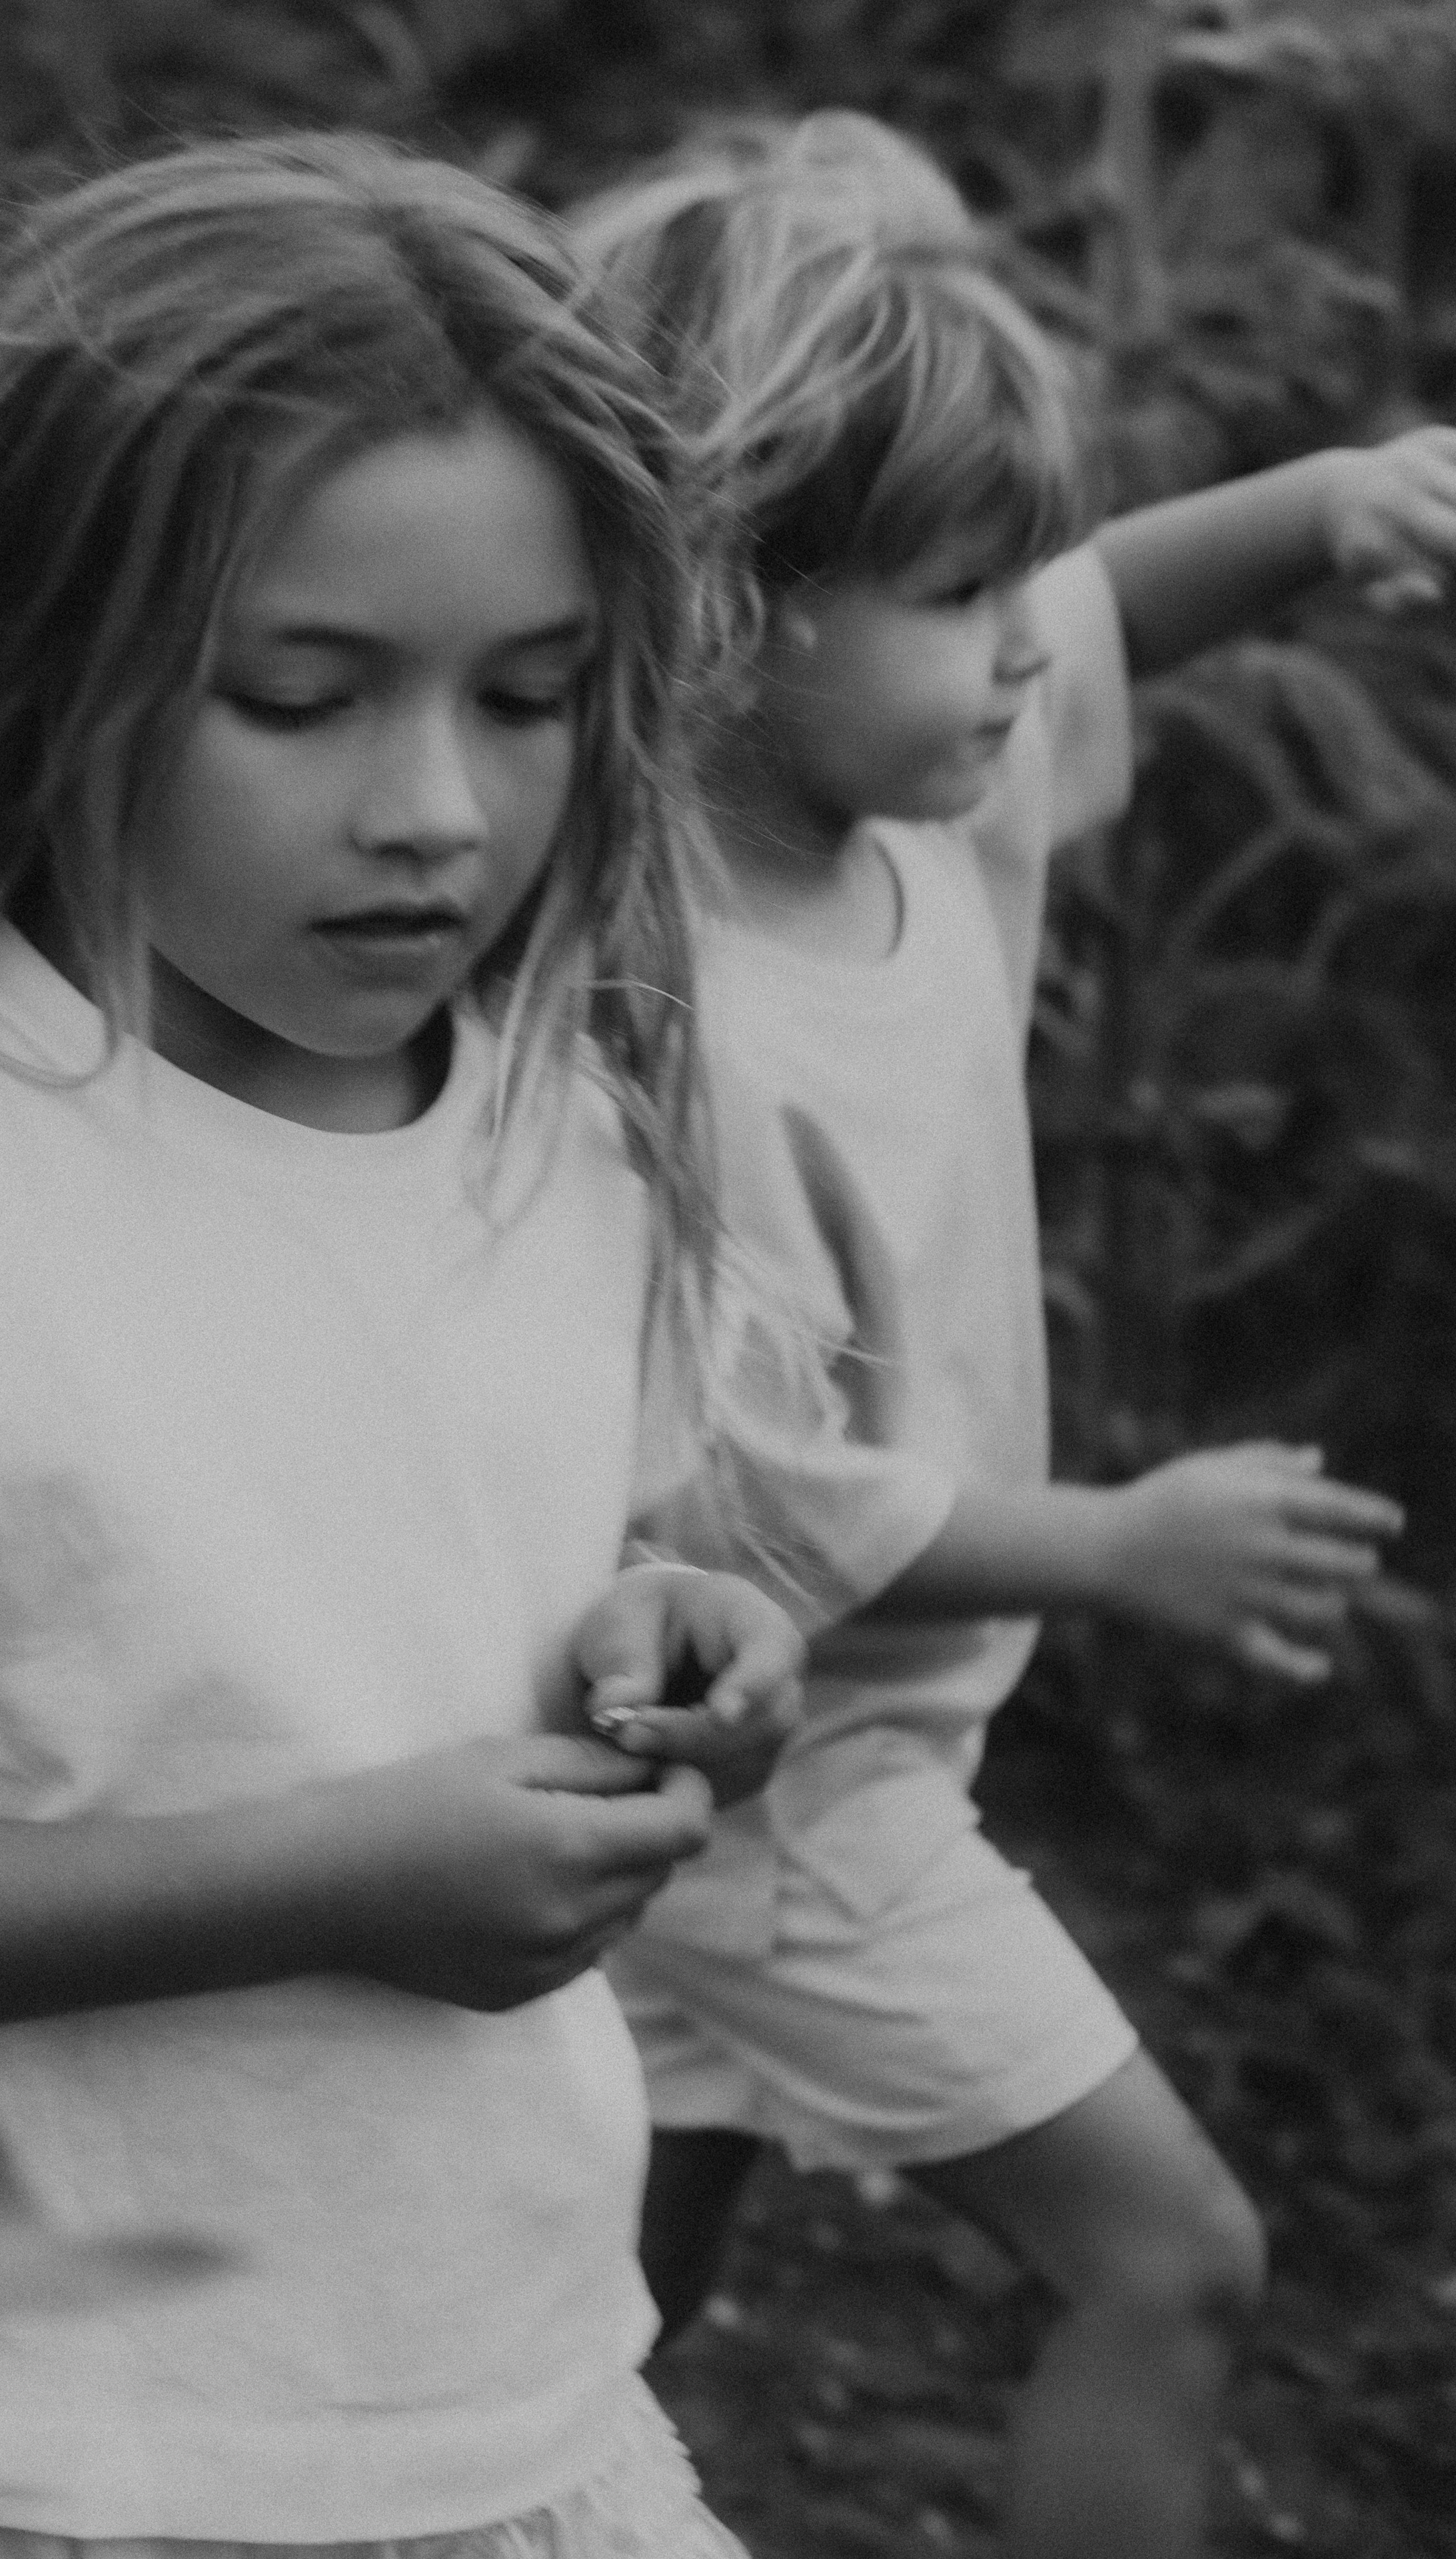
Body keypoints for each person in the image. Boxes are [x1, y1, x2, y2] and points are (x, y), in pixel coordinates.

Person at [566, 111, 1456, 2559]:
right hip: (791, 1770)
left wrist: (1322, 510)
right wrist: (1112, 1547)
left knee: (598, 2319)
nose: (1027, 641)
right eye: (961, 588)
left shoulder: (930, 799)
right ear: (733, 605)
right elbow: (735, 1500)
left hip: (783, 1761)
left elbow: (1111, 612)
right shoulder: (684, 1022)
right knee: (1173, 2260)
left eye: (1018, 578)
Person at [0, 130, 832, 2559]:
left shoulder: (553, 1127)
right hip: (100, 2454)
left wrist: (681, 1639)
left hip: (521, 2400)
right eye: (300, 695)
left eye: (531, 697)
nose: (435, 812)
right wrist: (323, 1885)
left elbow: (483, 1556)